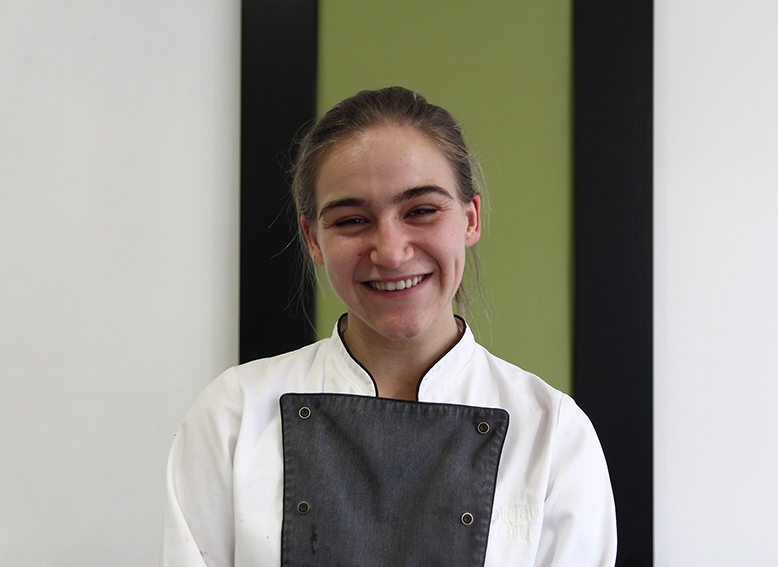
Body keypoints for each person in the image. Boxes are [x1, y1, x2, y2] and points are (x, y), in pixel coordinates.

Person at [161, 87, 616, 566]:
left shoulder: (553, 434)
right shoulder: (233, 416)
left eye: (420, 210)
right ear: (313, 240)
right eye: (352, 220)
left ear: (470, 218)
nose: (392, 251)